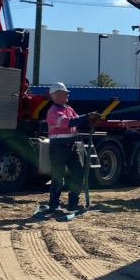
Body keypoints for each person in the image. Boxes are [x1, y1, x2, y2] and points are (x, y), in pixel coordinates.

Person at [45, 83, 99, 213]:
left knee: (79, 172)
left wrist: (89, 119)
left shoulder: (68, 108)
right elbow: (69, 123)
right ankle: (54, 205)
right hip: (58, 147)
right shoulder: (53, 112)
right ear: (58, 95)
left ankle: (73, 203)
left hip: (71, 146)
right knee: (58, 176)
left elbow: (77, 119)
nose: (67, 95)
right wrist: (88, 116)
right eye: (65, 93)